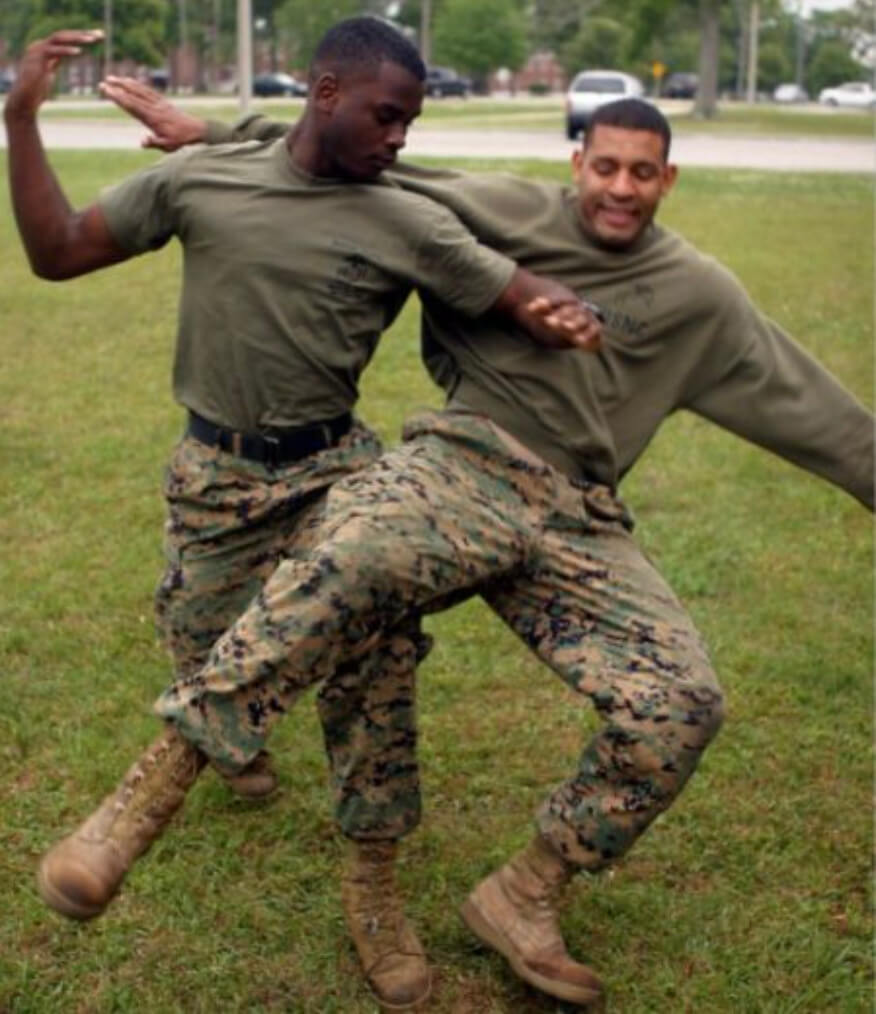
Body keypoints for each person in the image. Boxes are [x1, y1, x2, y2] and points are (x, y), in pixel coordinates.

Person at [36, 93, 874, 1009]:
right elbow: (366, 159)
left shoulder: (702, 296)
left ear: (668, 179)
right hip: (465, 464)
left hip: (580, 518)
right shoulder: (506, 210)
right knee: (349, 559)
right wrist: (221, 134)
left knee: (681, 703)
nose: (622, 189)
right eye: (606, 166)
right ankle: (155, 787)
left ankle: (524, 896)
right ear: (578, 163)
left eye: (643, 172)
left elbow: (817, 413)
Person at [6, 19, 604, 1011]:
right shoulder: (205, 182)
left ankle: (373, 885)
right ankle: (233, 744)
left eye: (410, 121)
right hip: (214, 476)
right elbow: (58, 253)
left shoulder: (400, 215)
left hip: (336, 473)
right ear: (326, 93)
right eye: (387, 114)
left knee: (375, 657)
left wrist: (565, 310)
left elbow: (514, 289)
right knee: (203, 640)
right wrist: (21, 121)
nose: (400, 137)